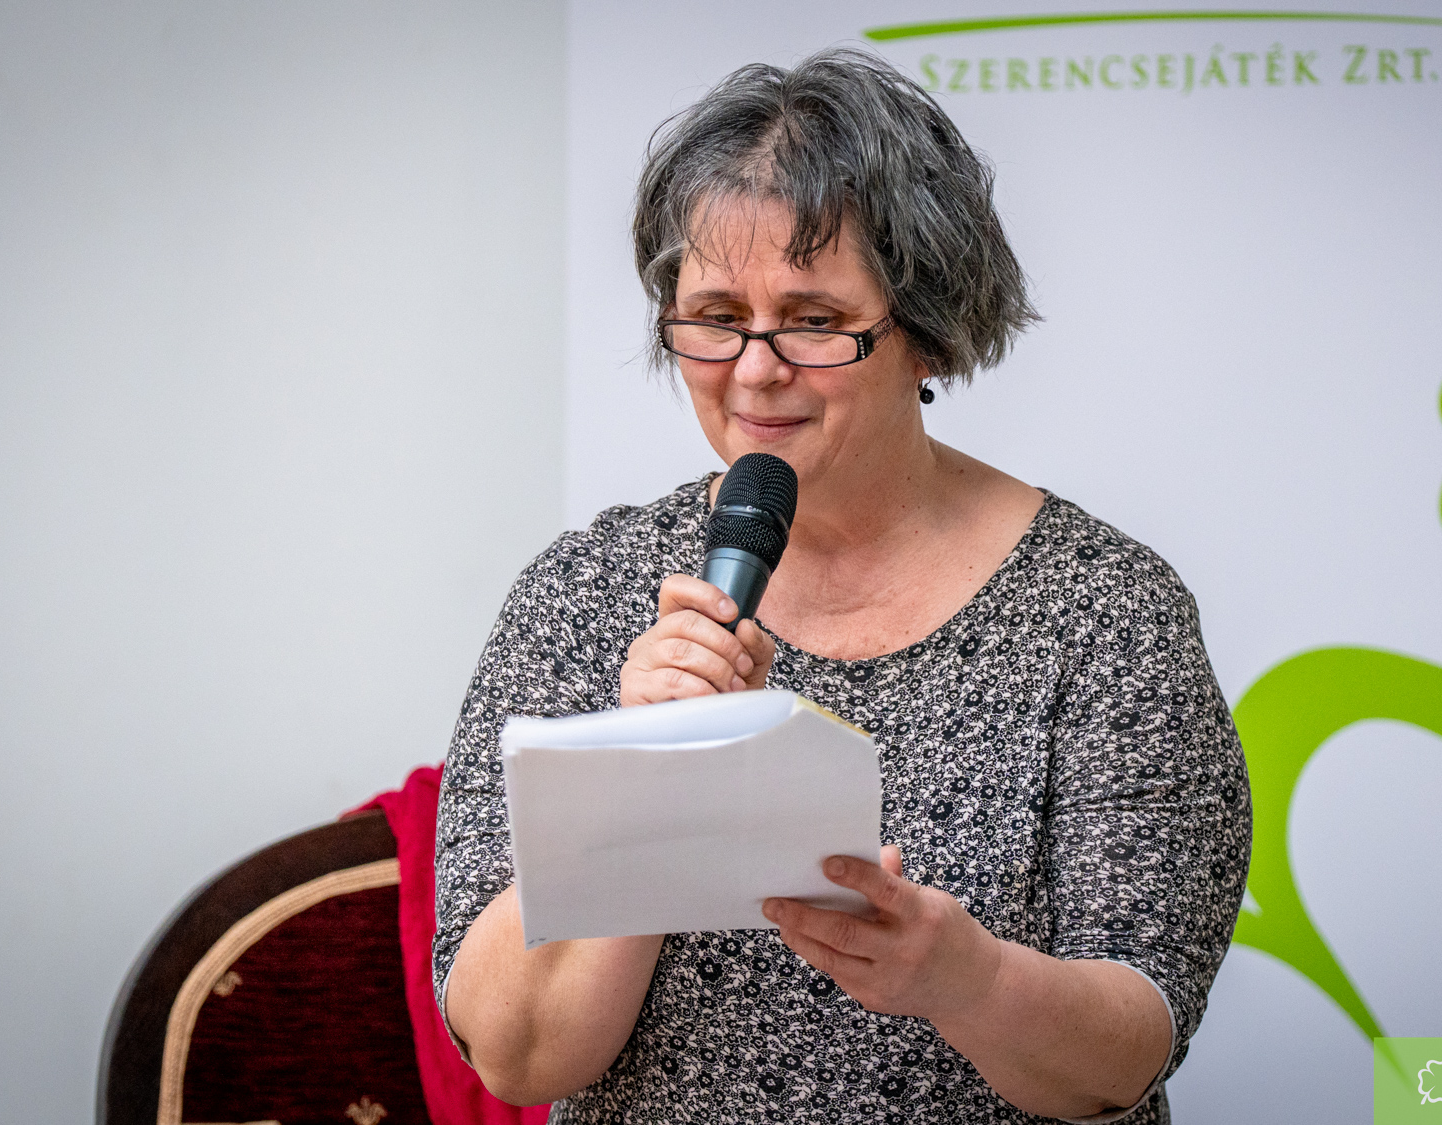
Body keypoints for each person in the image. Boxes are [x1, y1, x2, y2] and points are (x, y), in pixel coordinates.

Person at [434, 48, 1249, 1125]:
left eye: (813, 321)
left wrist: (965, 981)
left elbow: (1121, 1062)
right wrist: (641, 777)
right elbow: (516, 1055)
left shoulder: (1106, 609)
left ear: (928, 333)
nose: (754, 369)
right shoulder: (584, 592)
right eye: (715, 315)